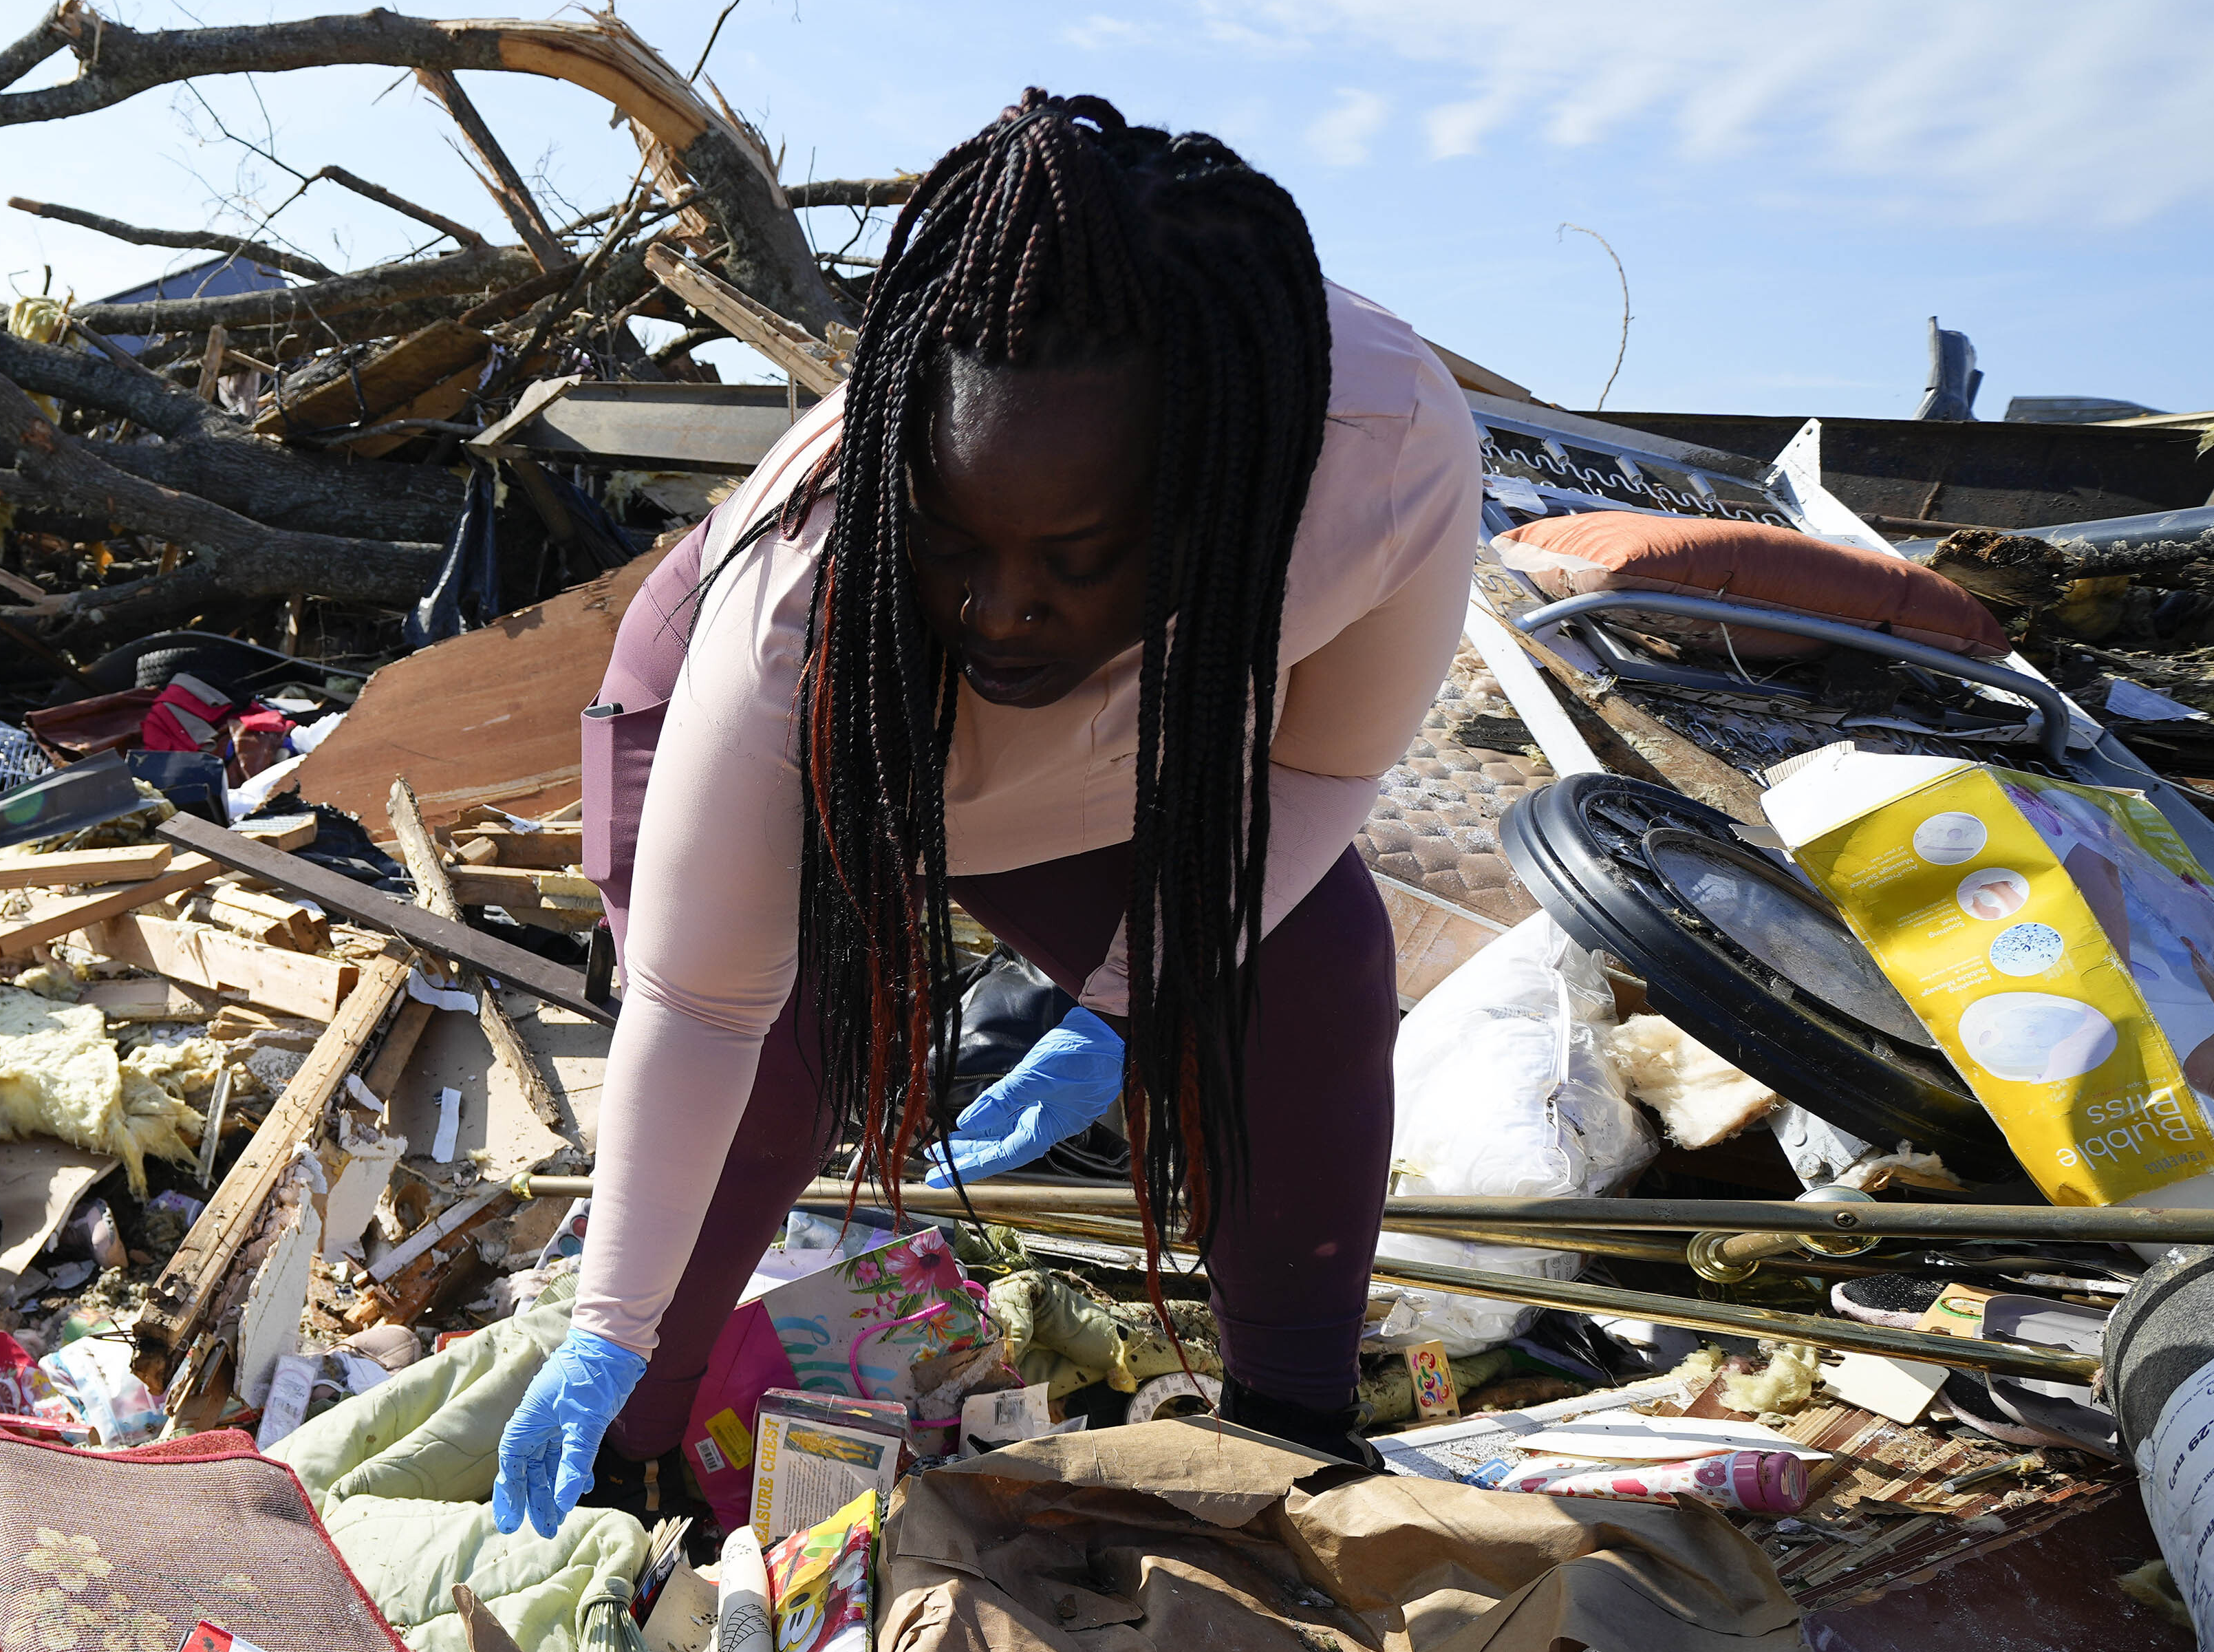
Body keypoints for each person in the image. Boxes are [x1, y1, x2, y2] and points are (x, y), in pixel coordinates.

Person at [491, 92, 1482, 1535]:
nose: (1007, 608)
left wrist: (1141, 986)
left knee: (1305, 969)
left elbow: (1318, 776)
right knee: (773, 1082)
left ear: (1216, 495)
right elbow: (700, 1009)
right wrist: (607, 1322)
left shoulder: (1382, 459)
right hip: (839, 731)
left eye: (1080, 554)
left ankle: (1290, 1436)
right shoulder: (801, 602)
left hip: (1115, 758)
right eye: (956, 538)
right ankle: (630, 1459)